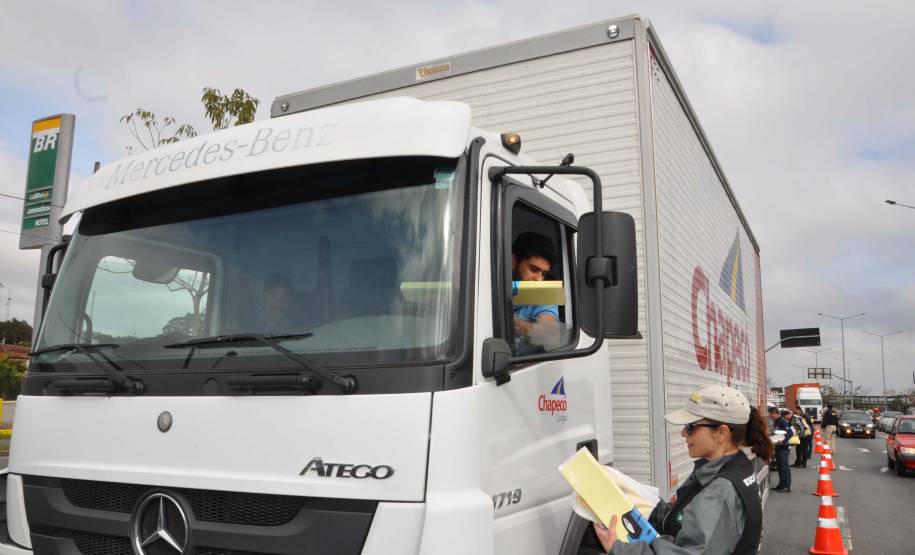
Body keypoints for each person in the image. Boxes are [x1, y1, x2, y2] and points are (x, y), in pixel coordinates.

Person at [591, 384, 770, 555]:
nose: (684, 433)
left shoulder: (719, 491)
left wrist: (617, 548)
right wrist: (645, 505)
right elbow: (691, 524)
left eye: (691, 427)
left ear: (721, 433)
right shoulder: (735, 466)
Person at [510, 232, 560, 353]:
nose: (539, 279)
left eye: (543, 274)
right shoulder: (487, 286)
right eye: (534, 269)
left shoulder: (546, 294)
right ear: (513, 261)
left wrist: (511, 322)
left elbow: (548, 333)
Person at [770, 409, 794, 492]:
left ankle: (786, 486)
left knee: (784, 467)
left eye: (771, 414)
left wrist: (783, 441)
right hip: (778, 447)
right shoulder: (776, 421)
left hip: (783, 448)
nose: (770, 416)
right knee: (780, 467)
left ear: (775, 413)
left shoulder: (782, 421)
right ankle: (781, 484)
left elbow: (790, 433)